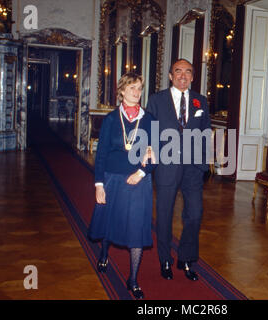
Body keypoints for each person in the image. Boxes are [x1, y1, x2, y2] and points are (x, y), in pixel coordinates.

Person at [87, 72, 156, 299]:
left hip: (139, 182)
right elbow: (102, 154)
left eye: (139, 88)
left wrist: (141, 172)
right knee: (110, 222)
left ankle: (133, 279)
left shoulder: (150, 120)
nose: (136, 93)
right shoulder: (109, 120)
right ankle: (105, 252)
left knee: (136, 228)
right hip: (112, 179)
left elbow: (155, 154)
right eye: (132, 88)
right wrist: (99, 185)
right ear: (122, 91)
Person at [146, 59, 211, 282]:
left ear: (193, 77)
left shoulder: (200, 101)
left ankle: (186, 258)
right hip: (166, 164)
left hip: (193, 168)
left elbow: (205, 133)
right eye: (178, 71)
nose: (183, 76)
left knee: (195, 214)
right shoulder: (156, 100)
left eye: (188, 72)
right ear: (171, 76)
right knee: (164, 214)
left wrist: (205, 164)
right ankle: (165, 259)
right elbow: (150, 131)